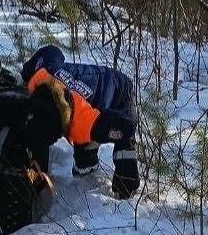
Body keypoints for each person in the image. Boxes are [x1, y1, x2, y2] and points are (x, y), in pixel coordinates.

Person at [20, 45, 140, 199]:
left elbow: (126, 127)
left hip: (121, 91)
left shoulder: (83, 120)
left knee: (121, 147)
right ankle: (86, 169)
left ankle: (126, 192)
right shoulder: (42, 73)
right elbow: (52, 50)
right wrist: (26, 72)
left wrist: (110, 131)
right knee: (84, 165)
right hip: (93, 88)